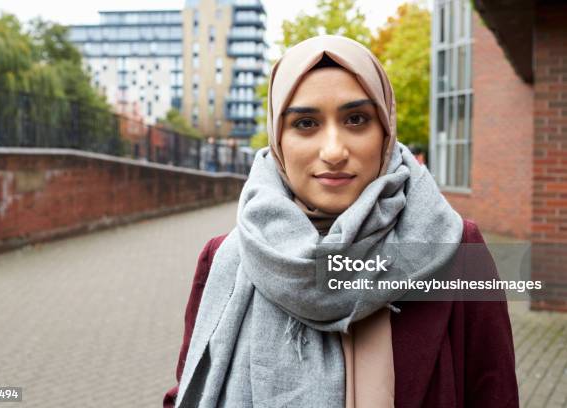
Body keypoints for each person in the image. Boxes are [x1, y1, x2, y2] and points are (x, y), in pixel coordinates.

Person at [165, 35, 518, 407]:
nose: (333, 151)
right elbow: (189, 388)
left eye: (356, 119)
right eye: (305, 123)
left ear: (385, 130)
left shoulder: (457, 250)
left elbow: (494, 395)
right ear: (277, 139)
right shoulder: (225, 258)